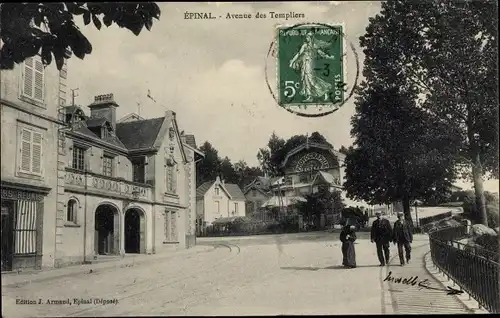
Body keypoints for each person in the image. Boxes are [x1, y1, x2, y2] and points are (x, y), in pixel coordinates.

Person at [289, 32, 336, 102]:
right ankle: (310, 97)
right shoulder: (305, 45)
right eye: (307, 37)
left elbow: (321, 53)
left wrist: (329, 57)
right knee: (306, 80)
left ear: (311, 38)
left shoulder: (314, 45)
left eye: (308, 37)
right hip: (305, 64)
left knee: (312, 80)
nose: (307, 38)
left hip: (310, 64)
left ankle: (325, 92)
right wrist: (293, 61)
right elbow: (299, 54)